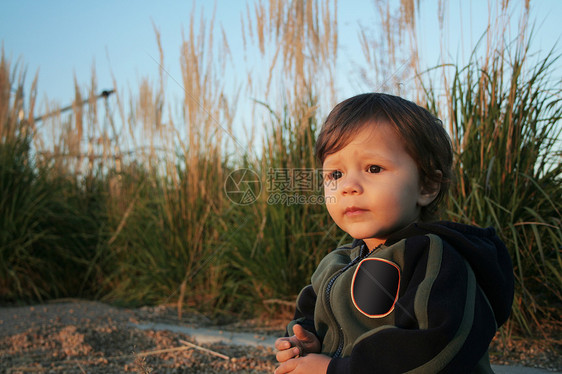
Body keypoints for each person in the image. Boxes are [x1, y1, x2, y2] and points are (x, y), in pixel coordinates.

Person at [274, 93, 514, 374]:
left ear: (427, 186)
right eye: (335, 174)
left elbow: (436, 347)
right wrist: (306, 343)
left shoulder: (435, 258)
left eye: (374, 168)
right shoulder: (335, 264)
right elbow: (308, 315)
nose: (348, 186)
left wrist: (335, 370)